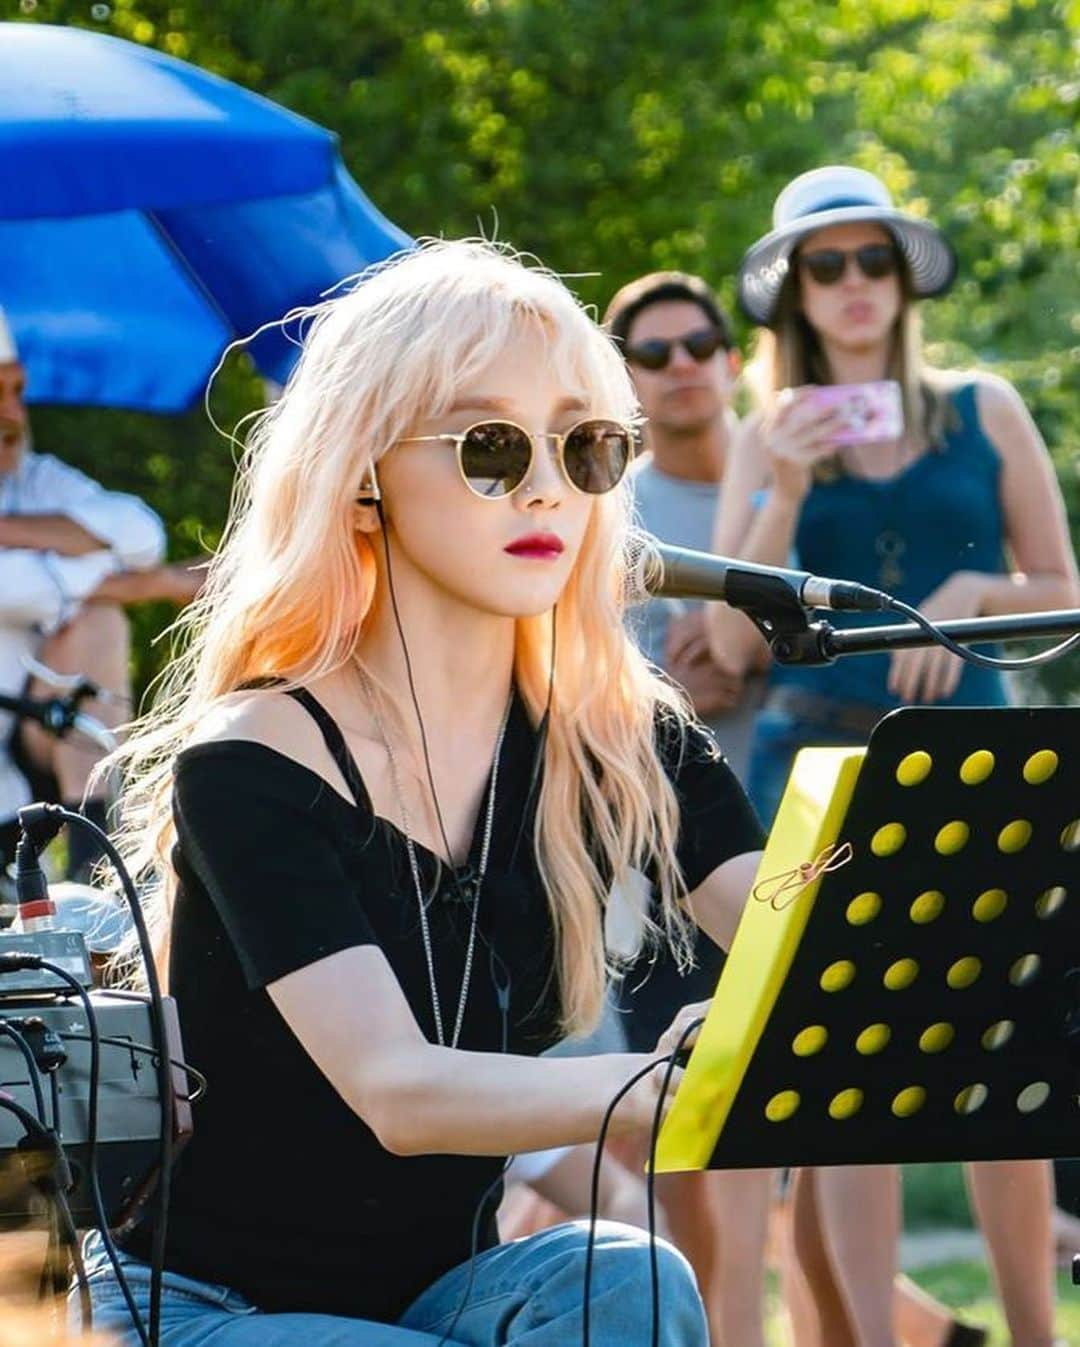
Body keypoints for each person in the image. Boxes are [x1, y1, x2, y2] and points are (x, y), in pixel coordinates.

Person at [78, 240, 766, 1347]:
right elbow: (398, 1093)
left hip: (439, 1295)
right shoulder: (252, 763)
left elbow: (808, 949)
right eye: (491, 445)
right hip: (201, 1311)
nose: (548, 483)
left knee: (629, 1277)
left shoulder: (617, 736)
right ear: (362, 475)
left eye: (585, 445)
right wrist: (659, 1081)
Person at [706, 165, 1078, 1347]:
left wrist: (967, 598)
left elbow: (1065, 589)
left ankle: (1033, 1333)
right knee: (840, 1085)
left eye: (875, 261)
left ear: (905, 279)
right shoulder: (761, 435)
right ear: (792, 293)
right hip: (814, 771)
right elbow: (725, 640)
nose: (856, 286)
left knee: (1002, 1071)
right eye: (829, 265)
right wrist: (783, 490)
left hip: (978, 767)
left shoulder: (983, 406)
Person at [603, 271, 773, 1347]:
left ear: (732, 353)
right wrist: (672, 686)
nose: (680, 368)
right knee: (694, 1150)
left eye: (698, 343)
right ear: (622, 375)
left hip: (799, 820)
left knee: (783, 1155)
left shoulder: (791, 468)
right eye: (652, 352)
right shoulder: (603, 498)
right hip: (663, 856)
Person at [0, 309, 203, 880]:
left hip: (26, 747)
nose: (14, 414)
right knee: (100, 607)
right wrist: (163, 584)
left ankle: (95, 859)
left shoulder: (34, 480)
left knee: (99, 622)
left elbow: (140, 532)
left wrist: (9, 530)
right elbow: (23, 589)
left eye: (17, 391)